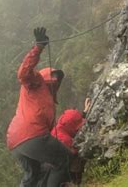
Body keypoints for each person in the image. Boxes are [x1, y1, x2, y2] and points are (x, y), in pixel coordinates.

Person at [6, 27, 71, 187]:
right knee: (64, 160)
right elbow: (23, 73)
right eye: (54, 76)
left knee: (33, 174)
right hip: (32, 135)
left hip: (15, 140)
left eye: (59, 79)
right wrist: (39, 47)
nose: (57, 80)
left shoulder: (45, 96)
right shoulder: (36, 81)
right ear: (46, 75)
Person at [51, 98, 92, 185]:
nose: (79, 128)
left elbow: (73, 123)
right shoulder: (64, 138)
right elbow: (75, 151)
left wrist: (84, 112)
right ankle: (76, 182)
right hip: (61, 172)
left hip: (53, 170)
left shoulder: (60, 128)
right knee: (79, 157)